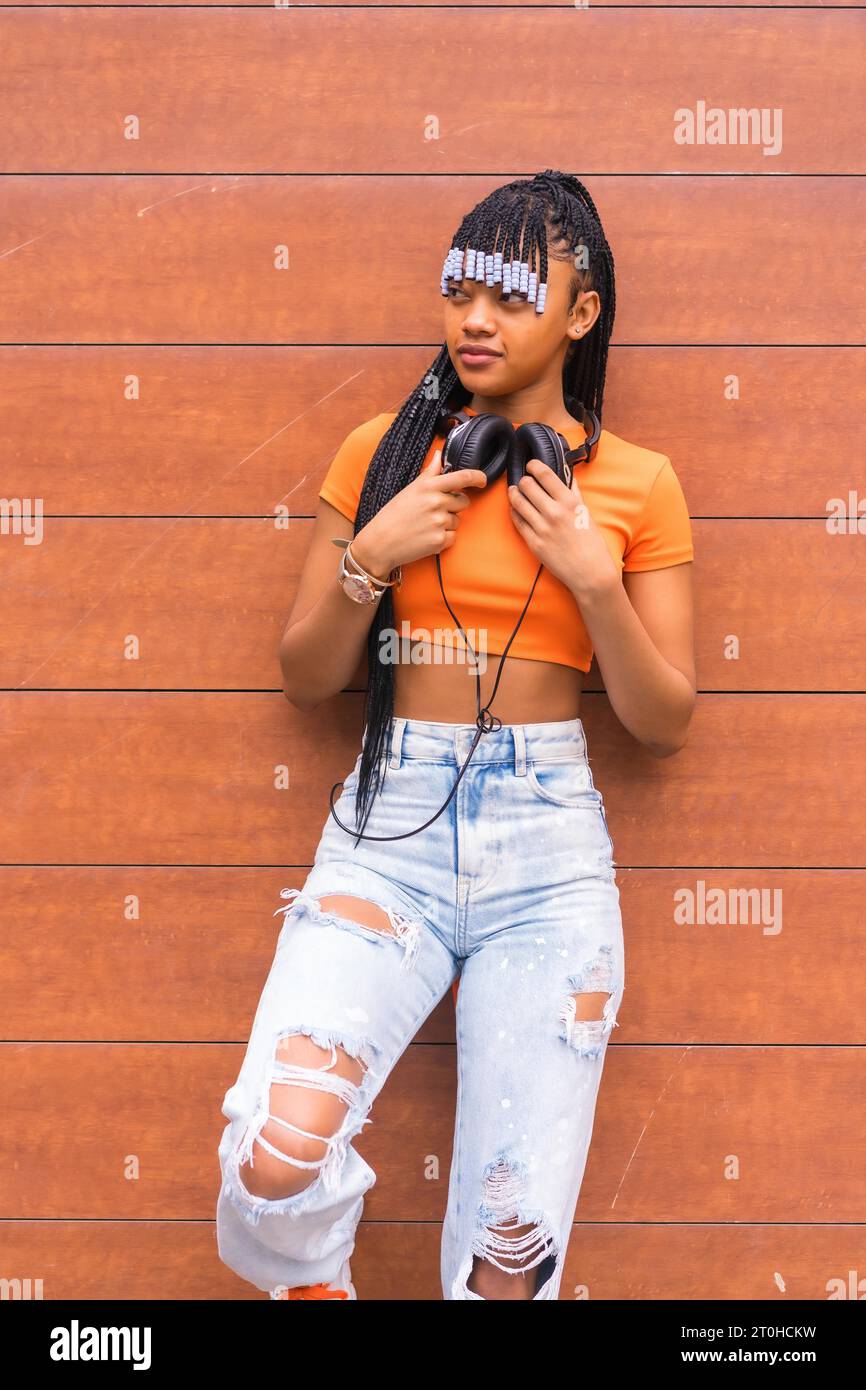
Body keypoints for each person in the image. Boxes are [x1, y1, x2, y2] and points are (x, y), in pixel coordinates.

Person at [215, 169, 696, 1301]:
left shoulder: (634, 486)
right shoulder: (381, 453)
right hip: (390, 830)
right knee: (274, 1154)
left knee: (508, 1259)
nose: (475, 318)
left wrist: (592, 579)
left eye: (513, 294)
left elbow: (663, 720)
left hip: (548, 854)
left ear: (581, 313)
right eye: (459, 290)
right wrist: (369, 556)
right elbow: (305, 676)